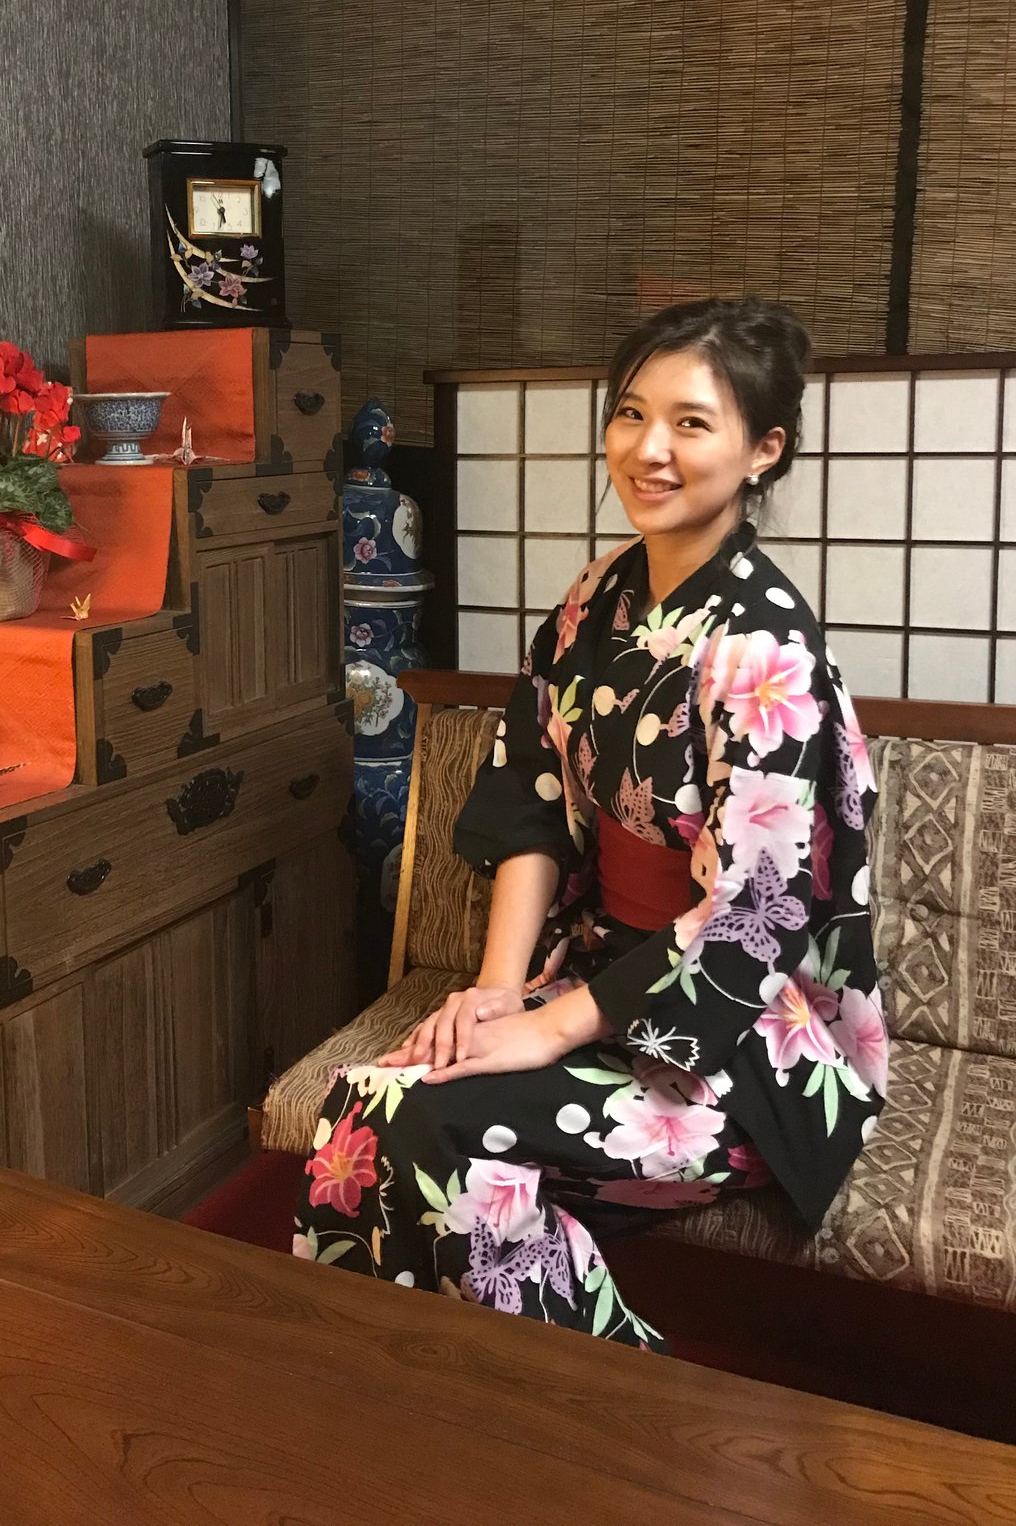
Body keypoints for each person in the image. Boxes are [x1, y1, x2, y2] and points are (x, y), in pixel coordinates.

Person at [294, 297, 887, 1350]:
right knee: (367, 1102)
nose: (648, 449)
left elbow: (754, 913)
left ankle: (623, 1411)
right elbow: (531, 790)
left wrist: (545, 1027)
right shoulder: (594, 598)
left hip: (739, 1042)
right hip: (600, 974)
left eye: (691, 423)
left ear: (763, 450)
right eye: (630, 413)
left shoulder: (766, 655)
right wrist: (495, 992)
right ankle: (399, 1384)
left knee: (427, 1127)